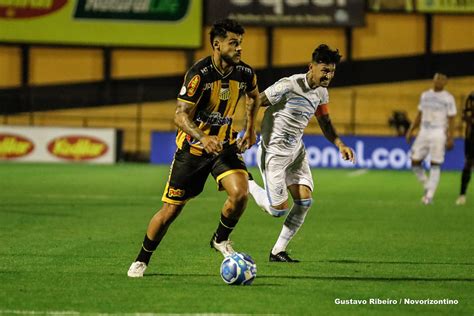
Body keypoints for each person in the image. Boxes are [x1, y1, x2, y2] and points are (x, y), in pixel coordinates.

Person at [127, 18, 261, 277]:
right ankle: (142, 259)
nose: (239, 48)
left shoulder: (245, 73)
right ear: (217, 44)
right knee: (170, 211)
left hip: (224, 147)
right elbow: (180, 115)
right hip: (193, 151)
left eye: (240, 43)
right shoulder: (199, 75)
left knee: (241, 193)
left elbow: (254, 97)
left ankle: (220, 239)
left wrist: (251, 129)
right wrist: (202, 137)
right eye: (233, 43)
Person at [247, 44, 355, 262]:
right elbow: (256, 100)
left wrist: (339, 144)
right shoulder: (289, 85)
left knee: (304, 201)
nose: (329, 75)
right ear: (311, 67)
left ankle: (278, 251)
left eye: (332, 71)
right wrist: (248, 131)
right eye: (325, 70)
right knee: (277, 210)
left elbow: (324, 121)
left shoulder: (322, 93)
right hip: (274, 153)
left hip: (296, 151)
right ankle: (246, 180)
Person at [406, 73, 457, 205]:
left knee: (435, 163)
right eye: (437, 78)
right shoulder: (425, 95)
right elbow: (419, 114)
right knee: (414, 161)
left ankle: (429, 196)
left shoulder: (448, 98)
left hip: (438, 132)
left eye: (442, 79)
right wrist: (411, 129)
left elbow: (452, 119)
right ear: (433, 80)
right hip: (424, 131)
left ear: (446, 82)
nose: (439, 81)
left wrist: (451, 137)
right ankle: (427, 185)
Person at [456, 92, 474, 205]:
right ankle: (462, 195)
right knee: (468, 163)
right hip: (472, 136)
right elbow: (464, 115)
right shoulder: (471, 96)